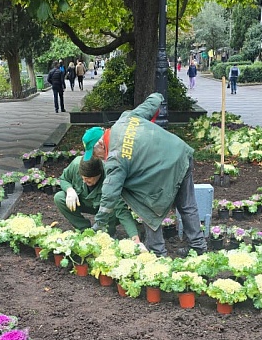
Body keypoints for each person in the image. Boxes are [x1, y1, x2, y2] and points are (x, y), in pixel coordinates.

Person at [88, 93, 207, 257]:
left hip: (165, 169)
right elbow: (153, 102)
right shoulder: (125, 119)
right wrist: (157, 95)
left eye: (96, 154)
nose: (99, 159)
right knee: (187, 205)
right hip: (181, 153)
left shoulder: (115, 157)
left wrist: (99, 223)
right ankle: (199, 247)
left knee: (147, 205)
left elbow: (110, 195)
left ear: (101, 144)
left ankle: (158, 253)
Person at [54, 145, 141, 244]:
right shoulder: (76, 164)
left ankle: (108, 233)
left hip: (106, 210)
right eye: (82, 177)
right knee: (59, 198)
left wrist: (135, 238)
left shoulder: (110, 178)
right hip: (83, 202)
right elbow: (63, 179)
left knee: (112, 208)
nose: (84, 180)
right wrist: (69, 190)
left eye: (88, 178)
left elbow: (121, 210)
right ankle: (85, 230)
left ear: (99, 174)